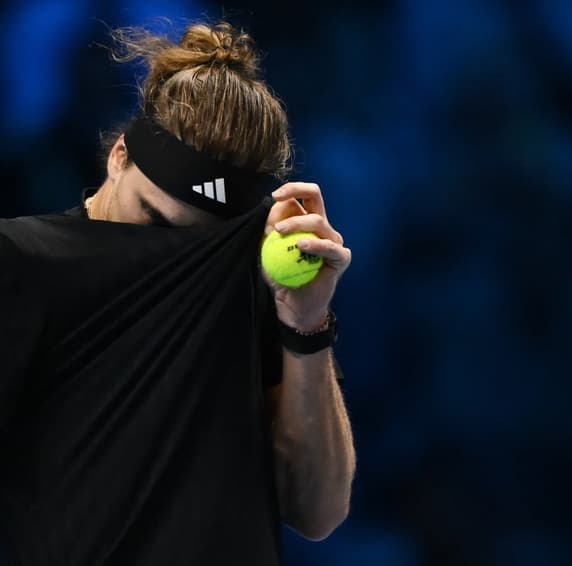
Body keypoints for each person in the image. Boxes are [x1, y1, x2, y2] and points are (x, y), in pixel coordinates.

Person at [0, 21, 354, 565]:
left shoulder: (251, 284)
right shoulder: (20, 262)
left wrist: (306, 322)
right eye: (152, 217)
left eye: (194, 242)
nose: (167, 255)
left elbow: (316, 511)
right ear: (119, 155)